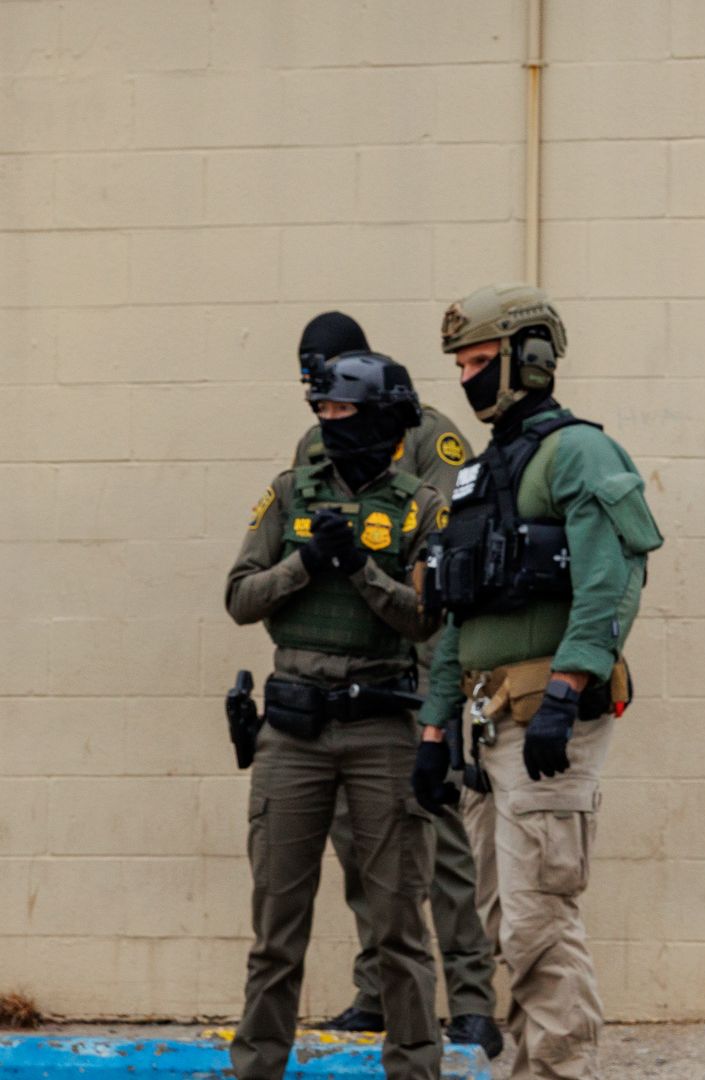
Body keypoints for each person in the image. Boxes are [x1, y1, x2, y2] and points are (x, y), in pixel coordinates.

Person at [412, 283, 663, 1080]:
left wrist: (566, 688)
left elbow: (612, 580)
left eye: (481, 362)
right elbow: (459, 614)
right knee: (501, 926)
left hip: (545, 721)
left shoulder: (580, 453)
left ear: (530, 359)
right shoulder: (482, 475)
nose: (466, 379)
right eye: (459, 365)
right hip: (487, 730)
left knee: (539, 925)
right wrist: (433, 725)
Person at [224, 352, 449, 1080]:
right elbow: (239, 599)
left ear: (382, 419)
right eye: (321, 412)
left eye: (343, 413)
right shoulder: (291, 494)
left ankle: (415, 1069)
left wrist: (359, 567)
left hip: (381, 726)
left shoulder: (419, 506)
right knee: (276, 932)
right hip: (292, 730)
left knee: (398, 931)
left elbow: (427, 622)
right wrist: (305, 563)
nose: (327, 424)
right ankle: (258, 1068)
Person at [290, 313, 502, 1057]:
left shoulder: (426, 431)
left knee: (437, 832)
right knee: (358, 840)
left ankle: (472, 999)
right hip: (349, 667)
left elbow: (450, 541)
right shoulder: (314, 442)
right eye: (311, 387)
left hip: (419, 658)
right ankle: (377, 991)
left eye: (328, 380)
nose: (320, 402)